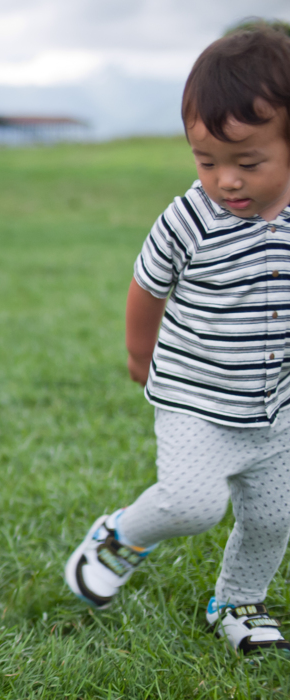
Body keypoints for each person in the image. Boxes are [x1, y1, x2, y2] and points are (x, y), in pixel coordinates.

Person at [65, 22, 290, 654]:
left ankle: (238, 602)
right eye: (207, 160)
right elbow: (147, 286)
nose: (227, 180)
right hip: (195, 400)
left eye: (248, 162)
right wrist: (141, 352)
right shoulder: (190, 217)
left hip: (274, 410)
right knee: (194, 505)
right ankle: (118, 536)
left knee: (274, 518)